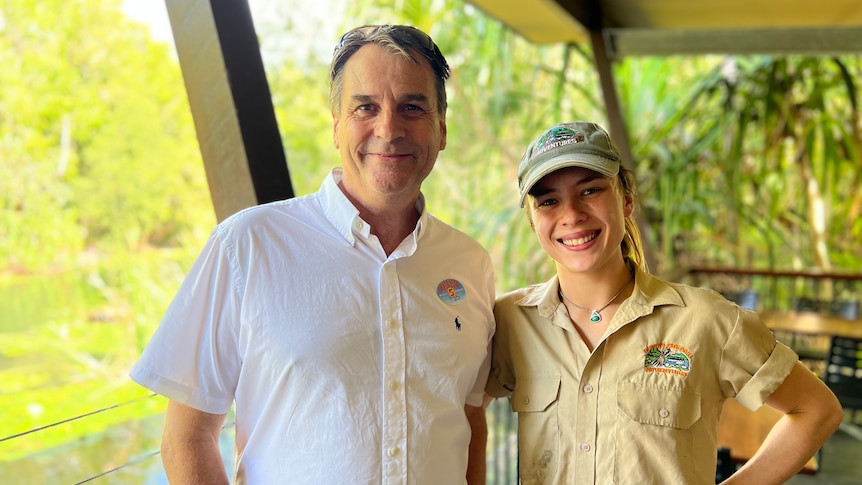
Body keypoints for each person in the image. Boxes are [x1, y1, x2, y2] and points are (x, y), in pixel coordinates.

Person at [131, 25, 495, 484]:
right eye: (366, 106)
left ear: (441, 129)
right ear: (337, 126)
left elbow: (469, 417)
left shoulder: (470, 263)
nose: (389, 128)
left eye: (412, 107)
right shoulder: (247, 245)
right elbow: (186, 439)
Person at [484, 121, 843, 484]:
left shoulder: (706, 320)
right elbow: (452, 411)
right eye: (548, 200)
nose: (572, 215)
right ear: (533, 221)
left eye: (590, 190)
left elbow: (817, 409)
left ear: (626, 199)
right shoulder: (509, 321)